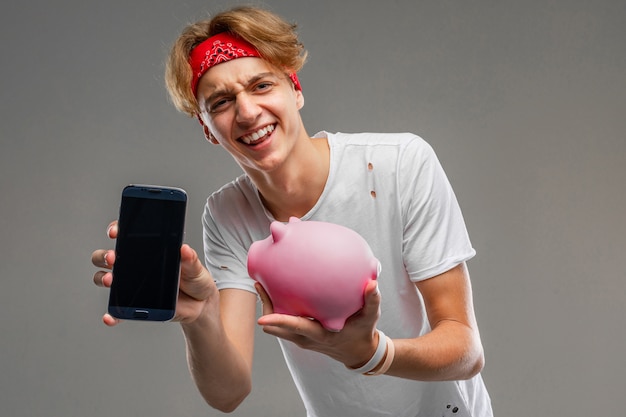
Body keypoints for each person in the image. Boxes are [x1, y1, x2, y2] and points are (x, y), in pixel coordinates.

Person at [92, 5, 493, 416]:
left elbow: (465, 348)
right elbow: (228, 392)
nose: (247, 112)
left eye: (262, 86)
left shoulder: (400, 164)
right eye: (221, 102)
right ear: (208, 129)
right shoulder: (227, 214)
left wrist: (371, 353)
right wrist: (200, 317)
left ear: (295, 89)